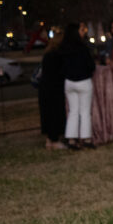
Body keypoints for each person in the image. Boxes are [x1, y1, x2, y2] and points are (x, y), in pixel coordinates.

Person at [58, 21, 96, 149]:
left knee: (73, 111)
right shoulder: (82, 48)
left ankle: (71, 139)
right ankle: (86, 138)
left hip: (69, 82)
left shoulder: (63, 48)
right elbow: (91, 65)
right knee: (85, 111)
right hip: (83, 81)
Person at [38, 27, 66, 150]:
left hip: (45, 88)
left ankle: (50, 139)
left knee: (48, 114)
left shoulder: (48, 54)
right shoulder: (57, 54)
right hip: (55, 88)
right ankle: (54, 139)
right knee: (55, 113)